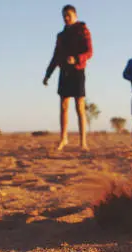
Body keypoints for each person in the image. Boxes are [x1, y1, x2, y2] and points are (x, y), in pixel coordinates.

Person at [43, 4, 93, 151]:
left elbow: (90, 51)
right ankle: (63, 138)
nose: (66, 18)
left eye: (68, 15)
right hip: (64, 71)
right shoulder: (61, 36)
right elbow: (56, 56)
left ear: (75, 16)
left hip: (78, 70)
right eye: (64, 16)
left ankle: (83, 142)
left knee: (80, 107)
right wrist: (48, 74)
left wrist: (77, 58)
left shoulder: (83, 30)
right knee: (64, 106)